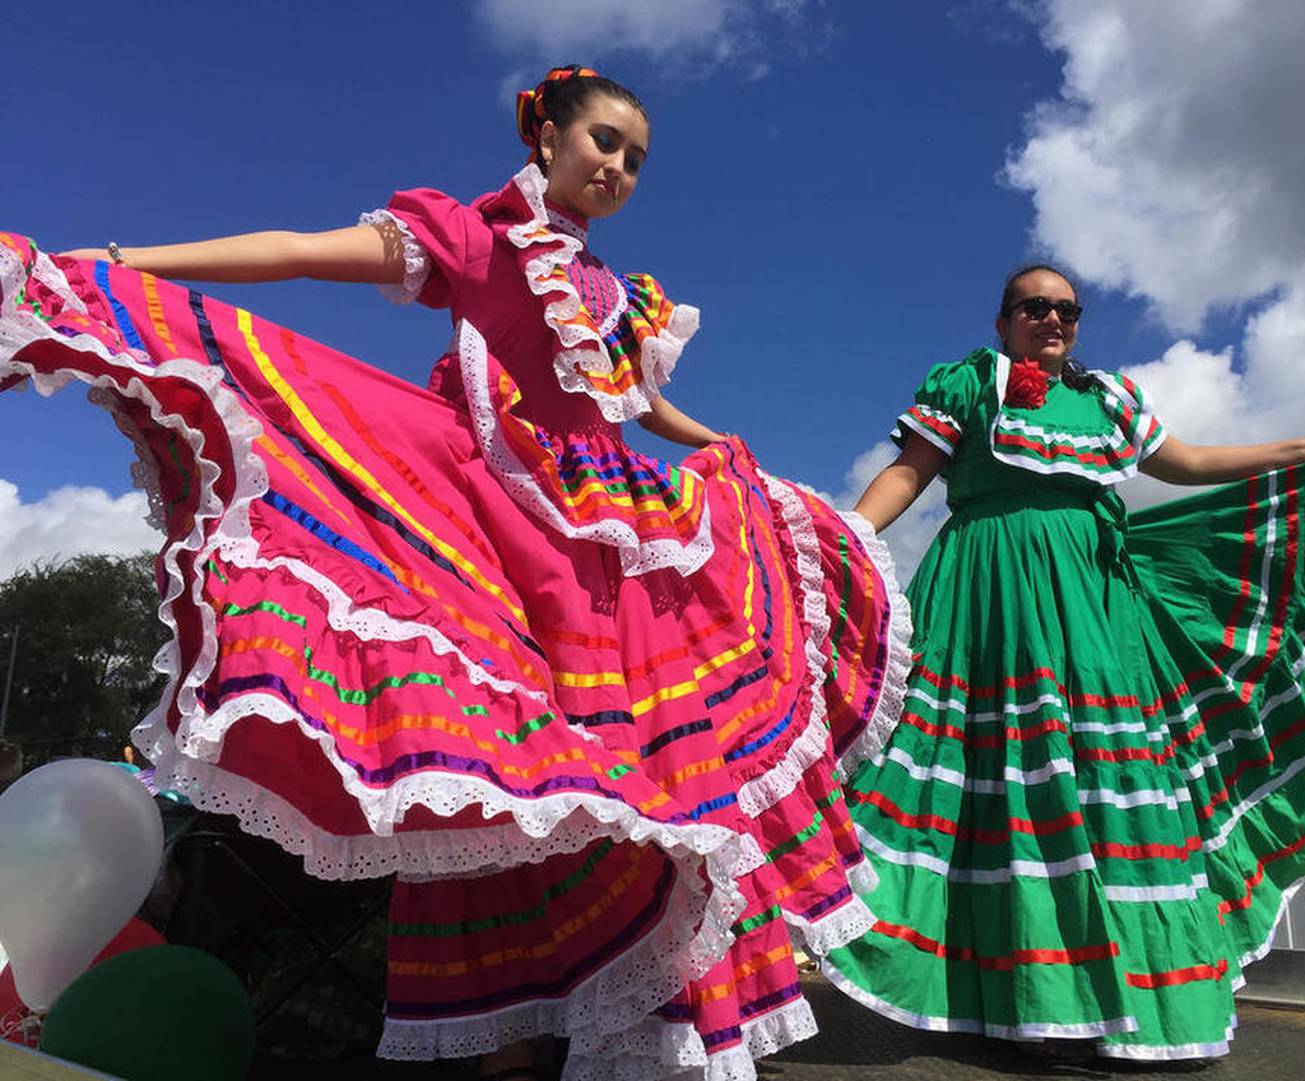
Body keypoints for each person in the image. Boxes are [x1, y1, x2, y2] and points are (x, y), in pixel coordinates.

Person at [0, 66, 911, 1080]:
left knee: (648, 786)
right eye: (603, 141)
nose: (617, 166)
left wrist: (733, 453)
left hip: (611, 553)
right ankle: (509, 1046)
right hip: (492, 528)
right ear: (546, 138)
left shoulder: (622, 296)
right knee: (499, 776)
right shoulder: (478, 237)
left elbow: (637, 410)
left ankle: (650, 1022)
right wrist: (131, 261)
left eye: (635, 158)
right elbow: (305, 253)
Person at [820, 263, 1305, 1060]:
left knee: (1098, 778)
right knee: (988, 775)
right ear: (1004, 320)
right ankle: (1005, 995)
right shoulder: (969, 384)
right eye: (1035, 307)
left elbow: (1181, 463)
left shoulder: (1110, 400)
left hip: (1095, 607)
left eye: (1067, 310)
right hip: (990, 596)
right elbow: (910, 472)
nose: (1053, 320)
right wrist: (838, 540)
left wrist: (1297, 447)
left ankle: (1111, 1005)